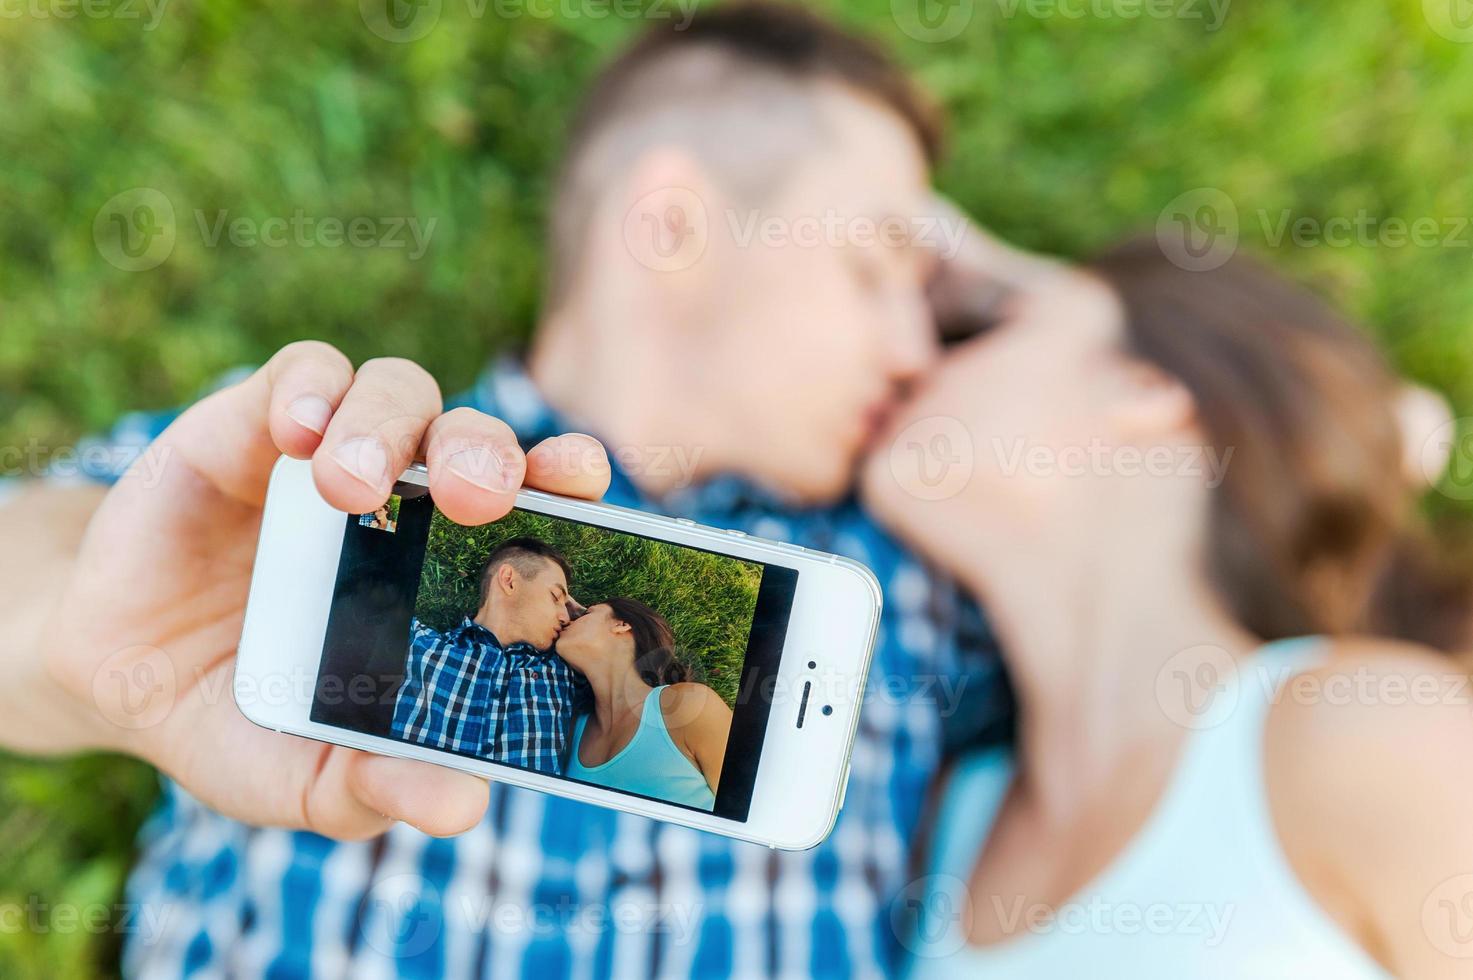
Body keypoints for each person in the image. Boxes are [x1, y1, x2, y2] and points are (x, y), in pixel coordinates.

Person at [0, 5, 1010, 977]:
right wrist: (82, 631)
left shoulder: (914, 583)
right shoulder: (313, 466)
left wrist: (1024, 288)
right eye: (878, 264)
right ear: (671, 223)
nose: (917, 346)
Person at [861, 240, 1473, 978]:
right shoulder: (948, 816)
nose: (909, 358)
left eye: (979, 330)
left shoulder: (1364, 731)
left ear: (1147, 385)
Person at [392, 537, 586, 773]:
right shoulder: (417, 643)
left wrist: (584, 617)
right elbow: (371, 528)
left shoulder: (565, 674)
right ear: (509, 581)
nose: (565, 616)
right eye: (555, 597)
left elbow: (618, 646)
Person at [557, 598, 733, 809]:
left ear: (621, 625)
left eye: (586, 613)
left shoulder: (690, 706)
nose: (567, 619)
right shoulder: (569, 729)